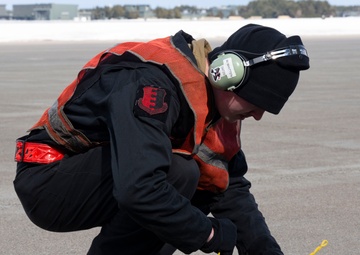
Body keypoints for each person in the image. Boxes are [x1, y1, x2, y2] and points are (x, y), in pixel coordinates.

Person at [13, 23, 310, 255]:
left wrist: (263, 249)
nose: (258, 115)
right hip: (48, 179)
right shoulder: (153, 84)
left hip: (99, 176)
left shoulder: (220, 110)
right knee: (178, 175)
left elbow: (227, 185)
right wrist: (207, 233)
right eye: (256, 103)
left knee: (200, 183)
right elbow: (138, 188)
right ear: (226, 75)